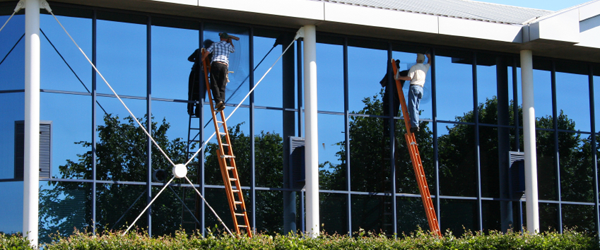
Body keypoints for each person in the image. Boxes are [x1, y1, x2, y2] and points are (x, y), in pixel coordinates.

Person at [201, 32, 240, 111]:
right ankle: (222, 101)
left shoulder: (215, 44)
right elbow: (233, 50)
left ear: (221, 38)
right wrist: (231, 41)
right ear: (226, 39)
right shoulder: (229, 45)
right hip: (224, 66)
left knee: (214, 83)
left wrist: (202, 59)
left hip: (216, 64)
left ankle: (218, 101)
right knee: (222, 84)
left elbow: (207, 52)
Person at [395, 53, 431, 133]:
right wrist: (429, 57)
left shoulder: (414, 67)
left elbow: (409, 77)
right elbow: (429, 63)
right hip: (421, 89)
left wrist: (399, 77)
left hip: (414, 87)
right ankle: (416, 124)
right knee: (416, 108)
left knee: (412, 107)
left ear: (416, 59)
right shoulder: (424, 67)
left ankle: (414, 125)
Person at [380, 59, 407, 136]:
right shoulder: (390, 75)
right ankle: (386, 130)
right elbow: (383, 83)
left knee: (393, 115)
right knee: (387, 114)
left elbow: (410, 72)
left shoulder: (401, 75)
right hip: (389, 96)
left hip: (395, 97)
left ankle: (391, 130)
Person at [187, 39, 214, 117]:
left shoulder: (199, 51)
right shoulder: (210, 53)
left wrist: (196, 60)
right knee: (201, 94)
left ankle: (190, 110)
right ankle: (198, 112)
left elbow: (189, 59)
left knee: (192, 92)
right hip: (202, 74)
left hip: (196, 72)